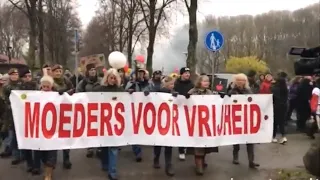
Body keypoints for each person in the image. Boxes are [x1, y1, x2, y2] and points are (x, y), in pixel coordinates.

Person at [93, 68, 123, 180]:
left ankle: (113, 171)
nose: (113, 80)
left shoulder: (120, 90)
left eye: (115, 78)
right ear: (107, 78)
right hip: (103, 121)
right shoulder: (99, 89)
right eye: (111, 77)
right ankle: (105, 164)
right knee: (104, 146)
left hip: (115, 122)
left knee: (113, 147)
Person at [186, 75, 219, 175]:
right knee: (198, 145)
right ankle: (198, 166)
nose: (207, 83)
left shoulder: (210, 93)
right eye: (205, 81)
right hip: (195, 122)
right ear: (199, 82)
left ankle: (202, 161)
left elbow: (215, 104)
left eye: (208, 82)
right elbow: (185, 104)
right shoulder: (192, 91)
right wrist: (186, 97)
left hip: (206, 123)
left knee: (205, 144)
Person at [228, 73, 259, 169]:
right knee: (236, 139)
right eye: (239, 80)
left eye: (243, 80)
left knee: (250, 140)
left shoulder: (248, 91)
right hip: (236, 117)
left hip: (247, 117)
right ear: (235, 81)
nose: (241, 82)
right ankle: (235, 157)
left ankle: (251, 161)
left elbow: (253, 101)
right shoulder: (231, 91)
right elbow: (227, 100)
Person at [148, 76, 176, 176]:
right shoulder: (158, 93)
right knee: (158, 143)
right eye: (171, 84)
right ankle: (156, 158)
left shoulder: (174, 93)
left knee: (169, 144)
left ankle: (168, 164)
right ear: (166, 84)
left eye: (173, 84)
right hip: (159, 122)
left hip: (169, 122)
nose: (172, 86)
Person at [76, 63, 101, 158]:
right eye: (91, 70)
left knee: (99, 128)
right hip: (88, 109)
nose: (93, 71)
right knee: (89, 129)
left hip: (99, 108)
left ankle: (99, 147)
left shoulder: (101, 81)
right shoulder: (83, 82)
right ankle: (90, 148)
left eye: (94, 70)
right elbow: (78, 92)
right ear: (88, 72)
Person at [125, 68, 150, 162]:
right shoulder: (131, 83)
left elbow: (153, 91)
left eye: (142, 73)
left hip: (144, 110)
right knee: (134, 130)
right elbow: (124, 92)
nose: (140, 75)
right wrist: (129, 91)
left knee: (141, 130)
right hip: (133, 110)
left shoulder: (147, 83)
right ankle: (137, 151)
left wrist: (148, 92)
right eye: (139, 73)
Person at [51, 64, 74, 169]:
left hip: (65, 112)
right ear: (53, 72)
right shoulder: (50, 82)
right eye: (56, 71)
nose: (58, 73)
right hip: (53, 113)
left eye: (60, 71)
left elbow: (73, 89)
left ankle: (66, 159)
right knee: (54, 136)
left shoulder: (66, 80)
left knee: (65, 136)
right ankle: (52, 161)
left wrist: (65, 93)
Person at [1, 68, 22, 164]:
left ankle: (22, 155)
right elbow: (5, 100)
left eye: (16, 74)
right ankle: (16, 155)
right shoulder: (6, 87)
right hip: (10, 115)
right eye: (12, 74)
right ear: (10, 75)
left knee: (21, 136)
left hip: (21, 113)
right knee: (13, 136)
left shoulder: (22, 85)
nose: (14, 76)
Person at [39, 75, 58, 180]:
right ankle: (46, 169)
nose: (46, 88)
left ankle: (48, 174)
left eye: (48, 86)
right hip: (40, 130)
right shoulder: (36, 96)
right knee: (43, 153)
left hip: (53, 129)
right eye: (44, 86)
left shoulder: (56, 95)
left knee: (51, 152)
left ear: (51, 86)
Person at [173, 67, 193, 161]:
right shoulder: (176, 83)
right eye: (185, 73)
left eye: (188, 73)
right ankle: (181, 150)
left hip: (189, 110)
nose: (187, 75)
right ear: (181, 74)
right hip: (178, 110)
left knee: (188, 129)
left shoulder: (192, 84)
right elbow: (170, 92)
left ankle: (187, 147)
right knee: (181, 130)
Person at [271, 74, 288, 144]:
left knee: (275, 122)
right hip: (284, 106)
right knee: (282, 122)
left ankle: (273, 136)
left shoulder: (275, 88)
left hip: (276, 106)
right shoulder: (285, 89)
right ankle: (283, 136)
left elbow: (273, 98)